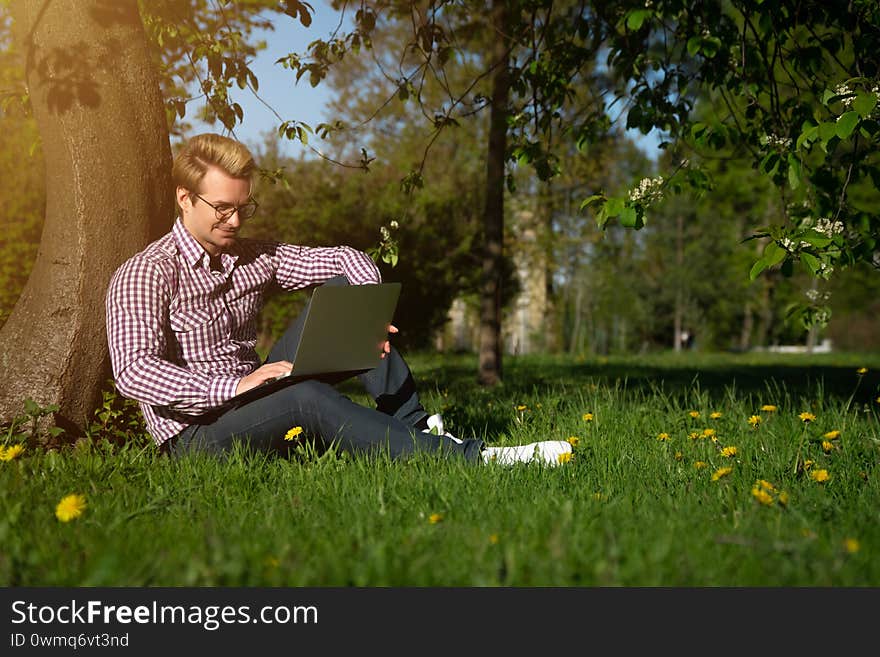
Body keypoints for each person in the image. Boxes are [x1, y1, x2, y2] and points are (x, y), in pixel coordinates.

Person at [105, 133, 572, 467]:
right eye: (222, 208)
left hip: (256, 391)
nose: (234, 220)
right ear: (185, 199)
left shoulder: (251, 256)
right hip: (197, 434)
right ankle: (477, 459)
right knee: (306, 398)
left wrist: (366, 314)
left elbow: (345, 260)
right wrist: (238, 388)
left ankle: (416, 426)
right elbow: (133, 373)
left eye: (243, 207)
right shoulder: (147, 272)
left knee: (347, 298)